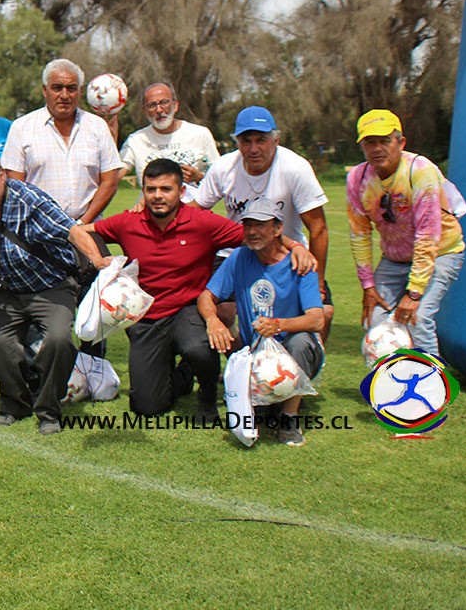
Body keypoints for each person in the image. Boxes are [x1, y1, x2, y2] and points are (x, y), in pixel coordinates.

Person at [0, 151, 111, 434]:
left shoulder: (30, 200)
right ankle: (14, 405)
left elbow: (72, 231)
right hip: (9, 289)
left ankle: (49, 410)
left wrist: (97, 260)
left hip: (51, 286)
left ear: (2, 176)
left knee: (58, 340)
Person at [78, 159, 245, 418]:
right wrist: (98, 260)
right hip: (147, 317)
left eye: (166, 189)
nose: (157, 196)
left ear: (181, 191)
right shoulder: (128, 222)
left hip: (188, 310)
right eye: (151, 189)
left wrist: (296, 248)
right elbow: (78, 232)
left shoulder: (203, 222)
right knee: (147, 407)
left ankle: (207, 393)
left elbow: (255, 237)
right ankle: (183, 374)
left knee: (198, 348)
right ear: (143, 191)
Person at [192, 105, 333, 340]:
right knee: (219, 310)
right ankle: (242, 354)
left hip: (287, 253)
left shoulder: (295, 168)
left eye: (261, 140)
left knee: (324, 313)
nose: (254, 149)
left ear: (275, 140)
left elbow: (318, 228)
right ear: (237, 142)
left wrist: (317, 282)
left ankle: (310, 359)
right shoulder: (223, 168)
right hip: (237, 253)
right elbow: (194, 212)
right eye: (246, 141)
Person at [198, 198, 324, 446]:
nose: (252, 232)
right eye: (248, 225)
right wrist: (213, 320)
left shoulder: (301, 263)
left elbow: (317, 320)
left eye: (260, 225)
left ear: (278, 229)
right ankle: (257, 396)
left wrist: (278, 325)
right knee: (218, 329)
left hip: (290, 349)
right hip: (254, 351)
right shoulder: (239, 257)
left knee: (299, 342)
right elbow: (206, 296)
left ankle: (289, 418)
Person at [347, 109, 465, 353]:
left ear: (401, 143)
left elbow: (427, 236)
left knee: (418, 318)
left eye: (384, 141)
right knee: (375, 319)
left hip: (440, 252)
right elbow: (360, 234)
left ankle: (432, 375)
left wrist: (414, 293)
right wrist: (368, 286)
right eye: (370, 142)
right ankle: (390, 375)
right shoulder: (358, 178)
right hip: (395, 258)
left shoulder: (420, 171)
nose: (377, 148)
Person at [1, 58, 122, 223]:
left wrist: (81, 224)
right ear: (45, 90)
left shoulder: (97, 127)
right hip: (39, 229)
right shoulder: (21, 127)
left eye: (71, 88)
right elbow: (16, 186)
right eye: (57, 88)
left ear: (80, 91)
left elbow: (110, 182)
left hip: (87, 228)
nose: (64, 95)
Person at [118, 82, 219, 203]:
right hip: (151, 210)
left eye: (164, 102)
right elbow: (114, 177)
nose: (159, 110)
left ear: (175, 105)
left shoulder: (200, 134)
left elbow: (219, 177)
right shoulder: (136, 140)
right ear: (144, 111)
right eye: (152, 105)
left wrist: (198, 177)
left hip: (192, 210)